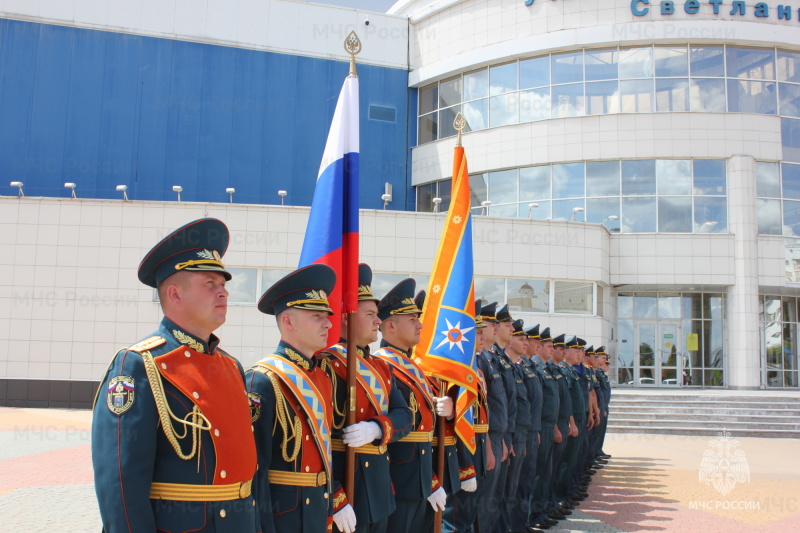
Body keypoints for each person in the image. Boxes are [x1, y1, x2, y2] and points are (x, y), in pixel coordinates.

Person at [92, 218, 259, 533]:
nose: (223, 292)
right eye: (209, 283)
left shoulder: (231, 366)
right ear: (175, 294)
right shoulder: (139, 365)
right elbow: (121, 484)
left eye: (223, 284)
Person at [246, 264, 340, 533]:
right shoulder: (263, 379)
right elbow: (255, 469)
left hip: (317, 509)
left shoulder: (321, 377)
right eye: (317, 316)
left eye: (327, 315)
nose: (329, 323)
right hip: (282, 517)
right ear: (288, 322)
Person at [319, 264, 413, 533]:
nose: (377, 321)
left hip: (379, 489)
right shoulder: (327, 364)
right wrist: (335, 496)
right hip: (346, 486)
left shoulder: (380, 367)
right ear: (346, 317)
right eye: (370, 314)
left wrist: (376, 428)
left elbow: (404, 416)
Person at [373, 279, 451, 533]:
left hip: (420, 478)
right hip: (398, 480)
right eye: (412, 319)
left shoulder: (413, 367)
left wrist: (431, 480)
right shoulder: (382, 366)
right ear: (391, 326)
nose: (421, 325)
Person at [444, 301, 492, 533]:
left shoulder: (477, 371)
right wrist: (465, 466)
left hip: (479, 447)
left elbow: (482, 417)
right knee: (456, 516)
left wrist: (488, 448)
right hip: (463, 451)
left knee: (470, 512)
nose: (482, 338)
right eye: (478, 333)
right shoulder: (457, 371)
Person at [475, 302, 507, 533]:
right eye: (490, 323)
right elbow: (481, 406)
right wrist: (487, 443)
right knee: (481, 503)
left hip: (495, 436)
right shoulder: (480, 360)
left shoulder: (490, 358)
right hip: (483, 437)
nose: (495, 327)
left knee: (493, 498)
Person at [502, 319, 531, 533]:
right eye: (520, 338)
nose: (526, 343)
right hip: (508, 436)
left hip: (521, 433)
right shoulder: (501, 365)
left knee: (515, 488)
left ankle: (516, 526)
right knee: (504, 491)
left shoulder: (515, 368)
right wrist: (507, 438)